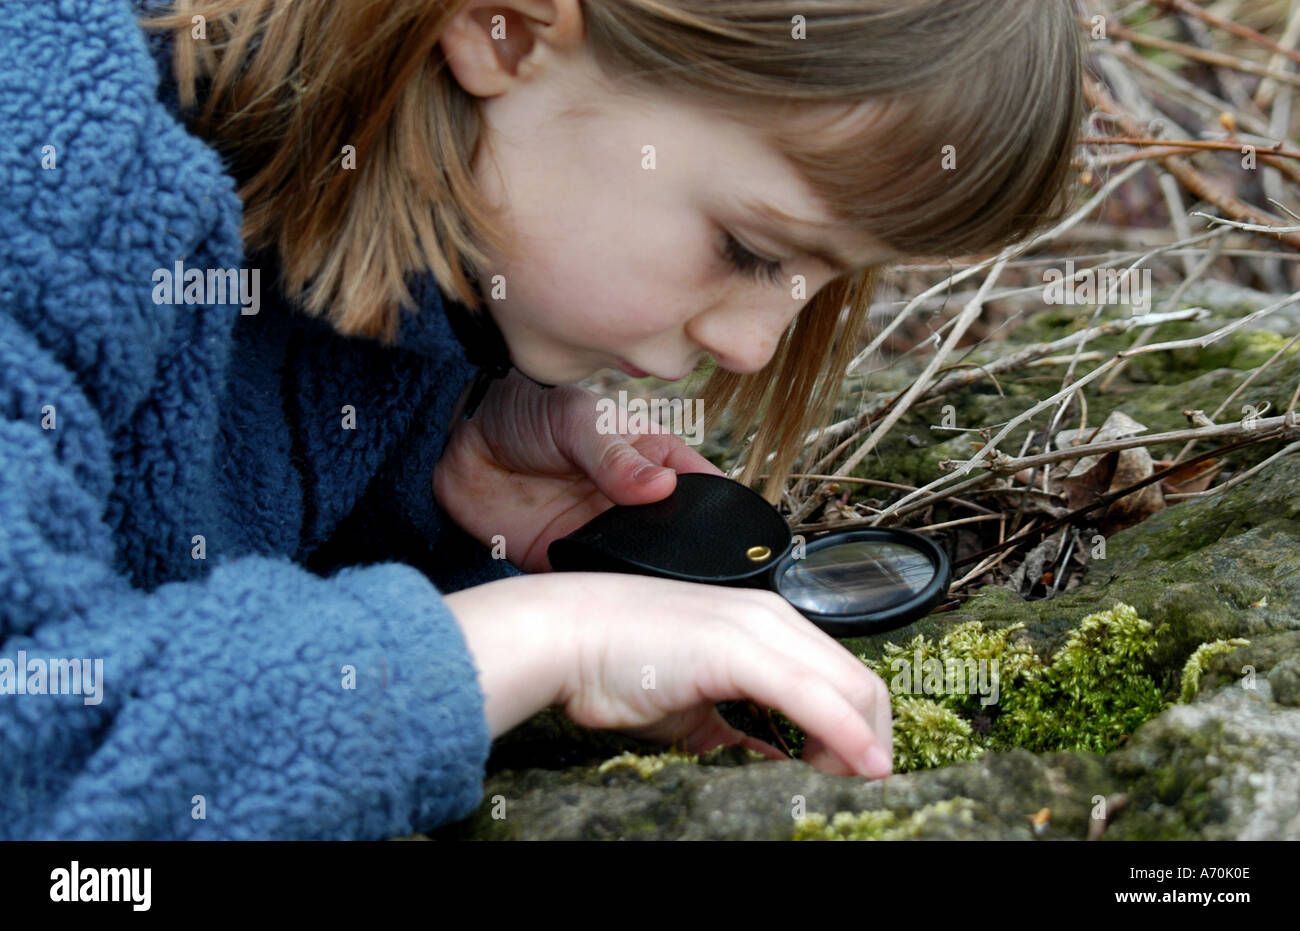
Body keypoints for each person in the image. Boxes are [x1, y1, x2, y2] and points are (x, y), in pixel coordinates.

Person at [0, 0, 1083, 839]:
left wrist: (426, 483)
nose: (755, 345)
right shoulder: (43, 148)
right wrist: (532, 643)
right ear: (500, 27)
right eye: (751, 249)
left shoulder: (432, 251)